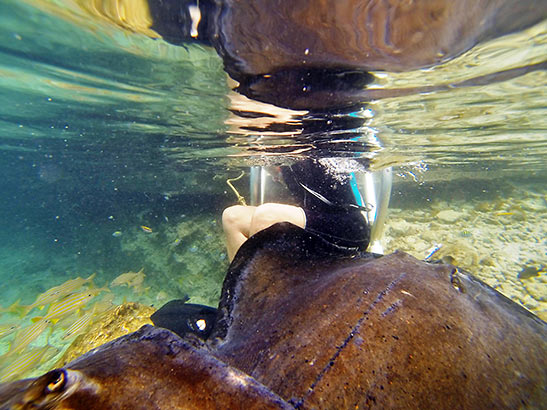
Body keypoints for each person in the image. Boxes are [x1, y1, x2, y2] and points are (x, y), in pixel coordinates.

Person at [222, 158, 376, 261]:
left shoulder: (318, 151)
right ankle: (242, 296)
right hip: (317, 226)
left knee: (266, 216)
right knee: (233, 217)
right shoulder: (287, 167)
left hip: (350, 229)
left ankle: (269, 301)